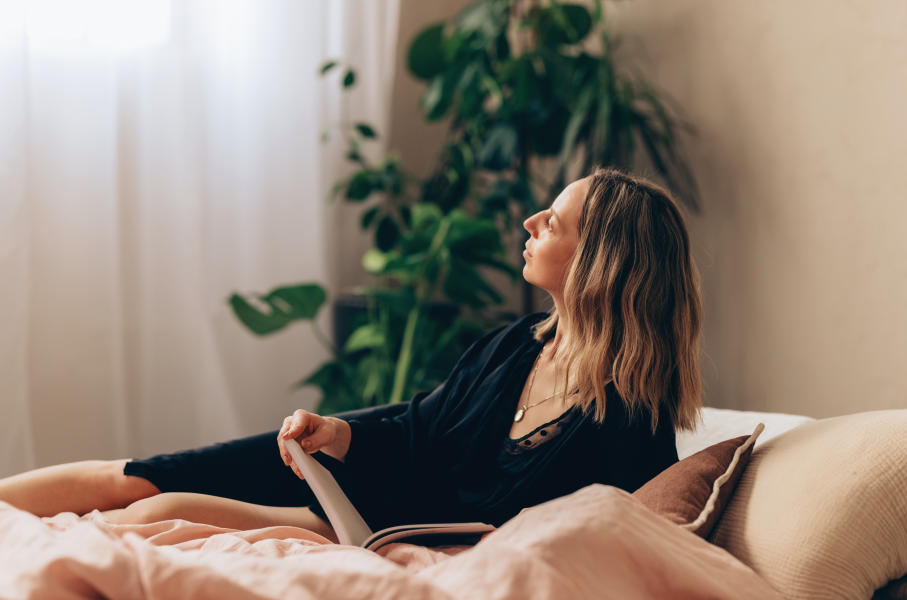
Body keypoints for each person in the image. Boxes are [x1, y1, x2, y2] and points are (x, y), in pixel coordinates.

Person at [0, 166, 702, 542]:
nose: (528, 223)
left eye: (552, 220)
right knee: (134, 480)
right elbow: (420, 426)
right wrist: (338, 434)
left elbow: (600, 535)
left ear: (600, 262)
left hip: (384, 526)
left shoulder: (630, 420)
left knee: (151, 518)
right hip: (362, 481)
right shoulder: (512, 347)